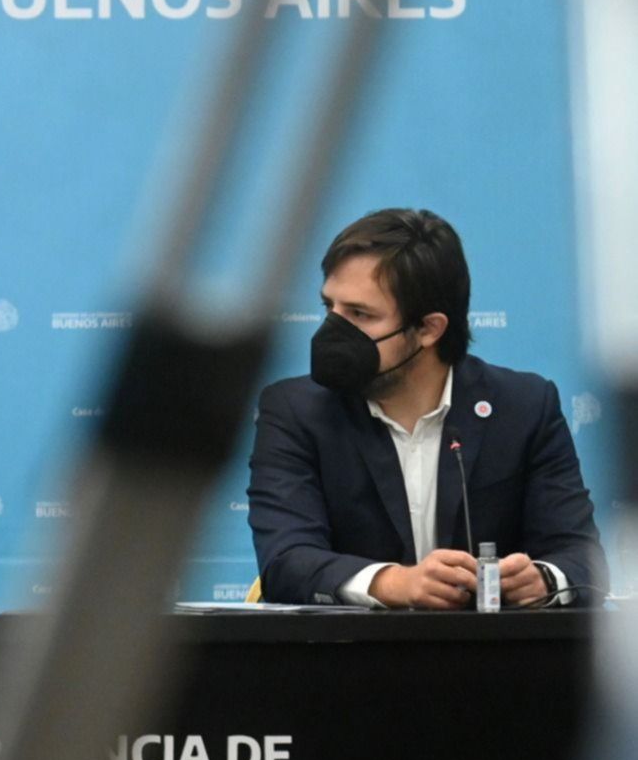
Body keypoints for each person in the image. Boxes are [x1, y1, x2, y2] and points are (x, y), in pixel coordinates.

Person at [247, 208, 607, 608]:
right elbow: (287, 561)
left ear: (429, 329)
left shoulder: (524, 407)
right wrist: (394, 582)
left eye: (359, 314)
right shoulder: (295, 411)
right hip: (348, 647)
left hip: (490, 648)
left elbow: (580, 558)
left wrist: (542, 578)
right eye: (329, 307)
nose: (332, 331)